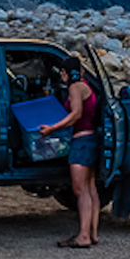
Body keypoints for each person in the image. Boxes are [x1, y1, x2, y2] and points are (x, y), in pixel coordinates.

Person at [39, 56, 99, 248]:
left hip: (81, 142)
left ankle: (83, 236)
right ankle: (92, 233)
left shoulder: (75, 88)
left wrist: (52, 128)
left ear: (65, 73)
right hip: (90, 139)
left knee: (80, 190)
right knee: (90, 188)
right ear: (81, 71)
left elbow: (76, 114)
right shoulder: (85, 85)